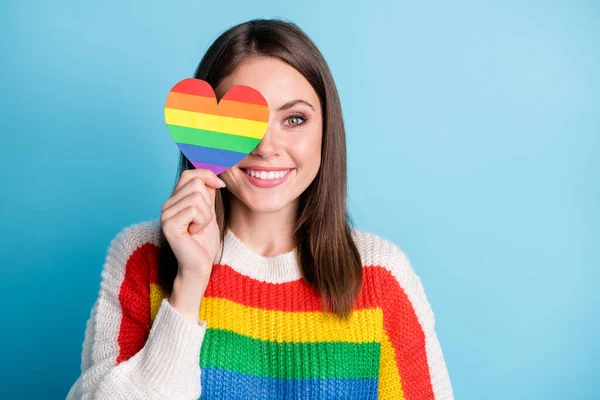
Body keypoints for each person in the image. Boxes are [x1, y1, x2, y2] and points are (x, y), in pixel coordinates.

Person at [66, 18, 454, 400]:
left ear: (326, 130)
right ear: (203, 128)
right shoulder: (141, 257)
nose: (267, 147)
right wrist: (188, 287)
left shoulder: (380, 275)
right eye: (240, 122)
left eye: (294, 119)